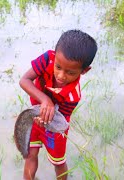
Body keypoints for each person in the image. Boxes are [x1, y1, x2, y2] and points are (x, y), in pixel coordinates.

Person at [19, 29, 97, 180]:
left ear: (84, 71)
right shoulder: (48, 59)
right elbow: (24, 80)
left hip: (55, 128)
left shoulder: (73, 95)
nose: (61, 76)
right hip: (34, 116)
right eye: (58, 67)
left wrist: (46, 122)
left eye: (70, 72)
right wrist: (45, 100)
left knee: (58, 162)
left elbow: (62, 122)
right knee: (30, 155)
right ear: (54, 56)